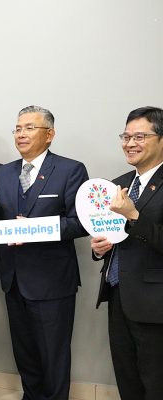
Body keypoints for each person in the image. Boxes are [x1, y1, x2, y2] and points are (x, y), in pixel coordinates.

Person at [0, 105, 89, 400]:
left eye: (29, 128)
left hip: (51, 281)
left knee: (53, 354)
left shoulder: (70, 170)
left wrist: (35, 228)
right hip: (14, 280)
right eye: (18, 128)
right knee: (25, 353)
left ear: (49, 134)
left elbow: (80, 223)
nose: (21, 134)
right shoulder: (5, 171)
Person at [91, 106, 163, 399]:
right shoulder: (119, 183)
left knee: (155, 384)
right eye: (126, 136)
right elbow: (113, 235)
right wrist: (100, 249)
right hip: (118, 296)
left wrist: (133, 215)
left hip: (155, 304)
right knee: (127, 379)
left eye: (139, 137)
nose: (130, 143)